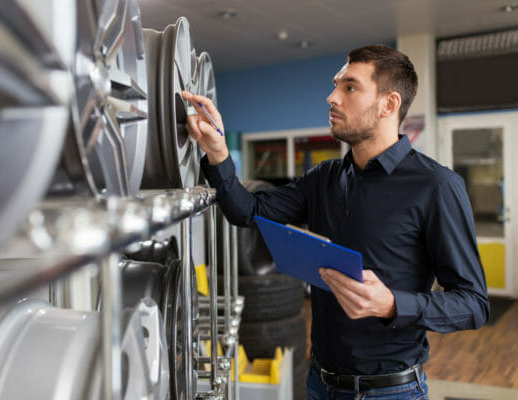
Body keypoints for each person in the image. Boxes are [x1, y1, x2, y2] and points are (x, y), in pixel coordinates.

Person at [183, 44, 489, 400]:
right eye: (335, 85)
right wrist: (218, 154)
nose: (331, 97)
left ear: (389, 104)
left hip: (389, 392)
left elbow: (473, 304)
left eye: (350, 87)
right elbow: (246, 211)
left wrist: (392, 303)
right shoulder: (324, 177)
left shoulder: (436, 186)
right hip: (319, 384)